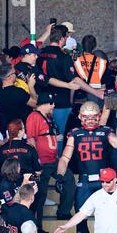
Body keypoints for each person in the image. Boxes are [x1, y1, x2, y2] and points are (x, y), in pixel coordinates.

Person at [57, 101, 117, 233]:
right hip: (85, 181)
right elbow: (65, 158)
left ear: (98, 117)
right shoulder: (74, 133)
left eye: (93, 117)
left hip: (105, 182)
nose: (90, 120)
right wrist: (60, 175)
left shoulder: (105, 131)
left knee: (114, 216)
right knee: (81, 218)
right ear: (80, 117)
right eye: (87, 117)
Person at [36, 24, 97, 155]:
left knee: (43, 134)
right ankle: (56, 162)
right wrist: (96, 92)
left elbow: (34, 46)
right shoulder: (64, 56)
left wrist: (46, 32)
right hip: (60, 102)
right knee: (59, 135)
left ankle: (44, 161)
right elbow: (74, 79)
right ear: (63, 39)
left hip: (42, 101)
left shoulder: (40, 53)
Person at [26, 92, 75, 233]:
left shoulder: (47, 118)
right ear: (43, 104)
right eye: (51, 103)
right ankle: (37, 227)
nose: (53, 106)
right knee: (40, 195)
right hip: (42, 163)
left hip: (53, 161)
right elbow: (31, 139)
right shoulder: (34, 116)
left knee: (69, 180)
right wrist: (37, 161)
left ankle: (63, 211)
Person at [0, 63, 37, 136]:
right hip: (21, 131)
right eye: (14, 73)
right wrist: (31, 86)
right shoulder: (17, 92)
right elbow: (35, 103)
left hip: (6, 130)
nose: (16, 75)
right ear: (9, 77)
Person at [73, 34, 108, 105]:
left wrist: (71, 101)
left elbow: (73, 82)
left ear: (82, 45)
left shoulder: (76, 61)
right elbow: (104, 85)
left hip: (79, 97)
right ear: (94, 46)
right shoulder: (102, 62)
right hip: (96, 97)